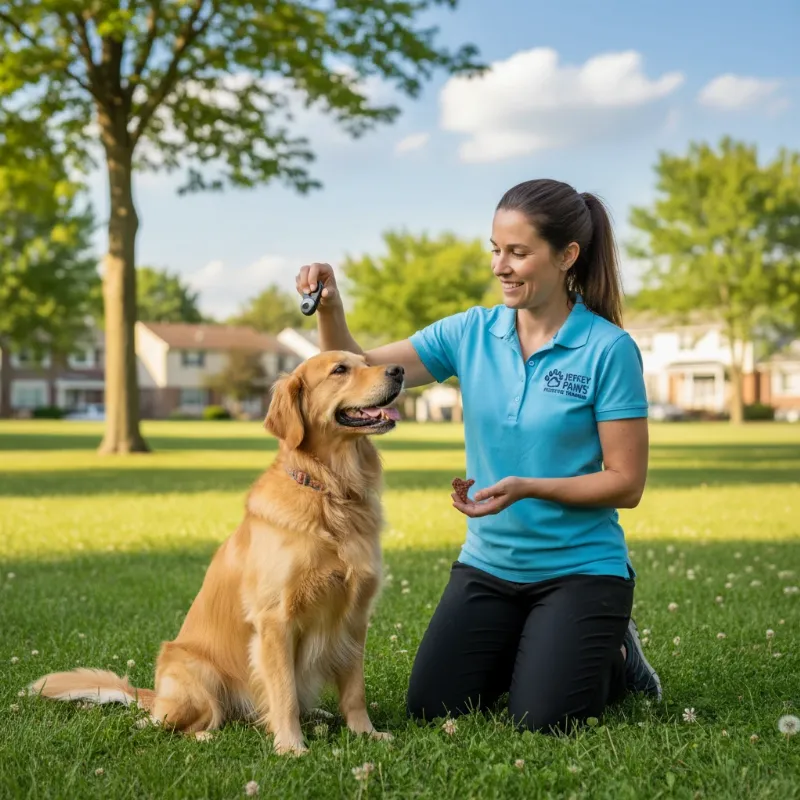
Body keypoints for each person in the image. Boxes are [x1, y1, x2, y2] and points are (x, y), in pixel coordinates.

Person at [294, 178, 661, 735]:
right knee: (432, 708)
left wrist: (527, 486)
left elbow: (626, 484)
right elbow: (359, 370)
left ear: (567, 257)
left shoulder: (608, 350)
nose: (501, 266)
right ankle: (539, 642)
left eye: (518, 252)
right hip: (488, 568)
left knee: (543, 720)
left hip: (580, 570)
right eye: (495, 249)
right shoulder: (472, 332)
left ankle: (615, 654)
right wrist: (332, 308)